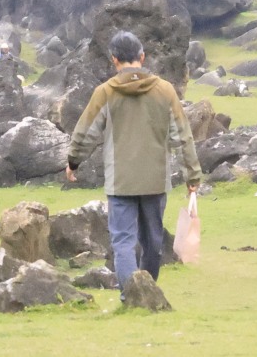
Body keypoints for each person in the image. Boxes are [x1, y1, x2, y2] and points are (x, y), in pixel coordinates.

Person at [65, 30, 203, 296]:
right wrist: (192, 177)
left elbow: (86, 132)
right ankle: (147, 293)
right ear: (142, 56)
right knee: (153, 242)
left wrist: (73, 162)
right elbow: (182, 136)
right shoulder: (165, 90)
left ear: (114, 60)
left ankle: (131, 296)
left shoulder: (105, 92)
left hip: (121, 181)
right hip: (155, 179)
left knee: (123, 242)